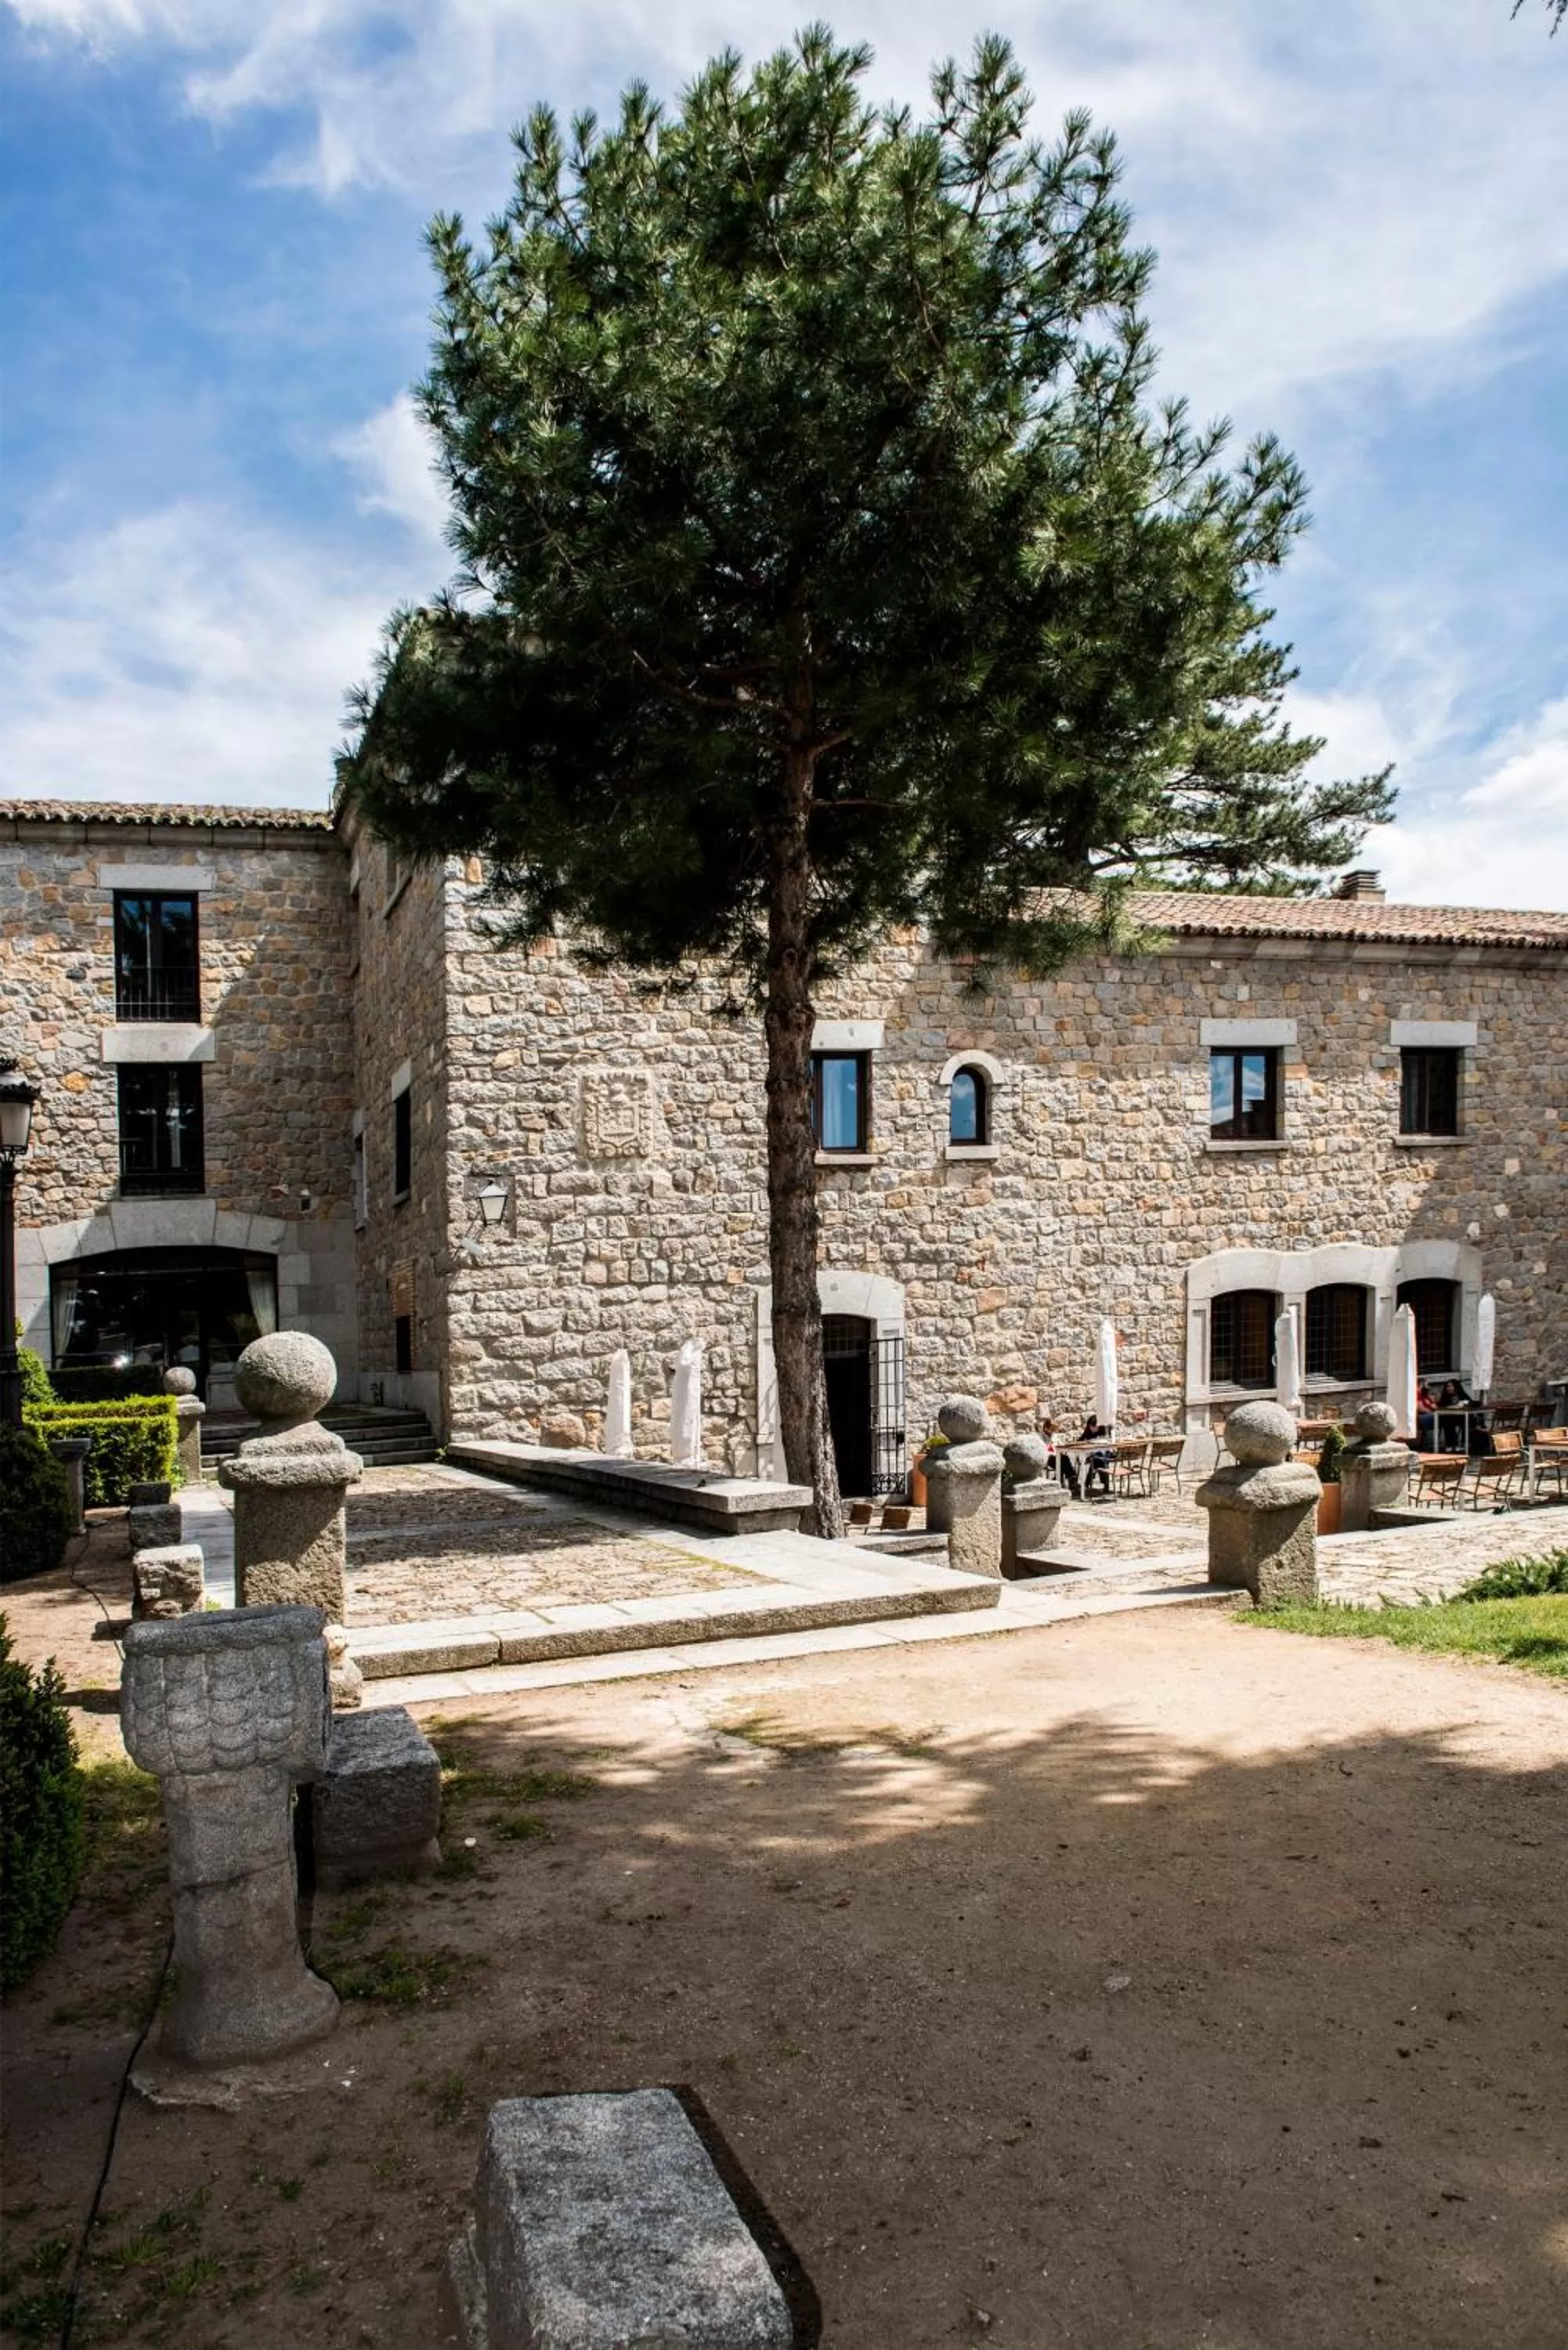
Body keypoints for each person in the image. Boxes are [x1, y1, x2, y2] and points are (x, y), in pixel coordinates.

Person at [1040, 1415, 1080, 1500]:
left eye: (1054, 1430)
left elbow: (1060, 1444)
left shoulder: (1054, 1436)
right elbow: (1044, 1450)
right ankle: (1072, 1479)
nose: (1053, 1431)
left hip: (1057, 1456)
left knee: (1063, 1460)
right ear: (1046, 1428)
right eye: (1051, 1429)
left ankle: (1060, 1481)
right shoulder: (1040, 1437)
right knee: (1064, 1460)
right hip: (1048, 1458)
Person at [1080, 1413, 1115, 1499]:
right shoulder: (1087, 1432)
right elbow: (1079, 1441)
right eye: (1091, 1427)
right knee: (1098, 1459)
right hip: (1091, 1454)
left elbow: (1109, 1441)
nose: (1093, 1429)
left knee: (1097, 1459)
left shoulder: (1104, 1431)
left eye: (1095, 1427)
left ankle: (1087, 1482)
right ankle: (1105, 1484)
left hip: (1103, 1455)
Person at [1415, 1379, 1436, 1455]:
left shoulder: (1425, 1395)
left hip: (1429, 1414)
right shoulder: (1418, 1393)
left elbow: (1434, 1405)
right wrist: (1431, 1412)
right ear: (1422, 1383)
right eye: (1427, 1384)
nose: (1429, 1386)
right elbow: (1421, 1408)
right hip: (1422, 1416)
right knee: (1440, 1418)